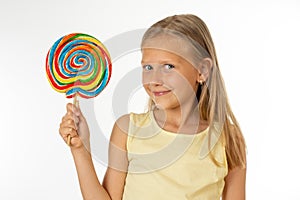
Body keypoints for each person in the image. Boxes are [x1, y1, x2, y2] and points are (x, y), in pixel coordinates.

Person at [59, 14, 247, 200]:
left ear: (202, 71)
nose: (154, 80)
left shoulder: (228, 139)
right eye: (148, 67)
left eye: (168, 66)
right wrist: (80, 149)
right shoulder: (128, 130)